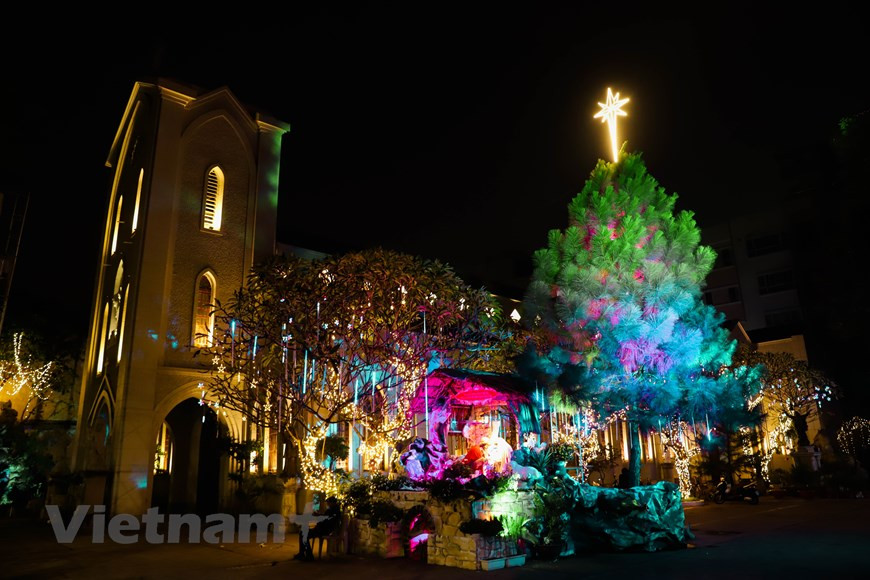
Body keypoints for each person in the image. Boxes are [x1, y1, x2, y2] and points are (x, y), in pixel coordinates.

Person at [295, 496, 341, 561]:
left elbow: (326, 520)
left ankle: (308, 555)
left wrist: (318, 517)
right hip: (324, 529)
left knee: (303, 534)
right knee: (303, 533)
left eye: (328, 502)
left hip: (323, 530)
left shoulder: (332, 510)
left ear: (332, 503)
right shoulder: (335, 510)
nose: (327, 504)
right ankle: (303, 554)